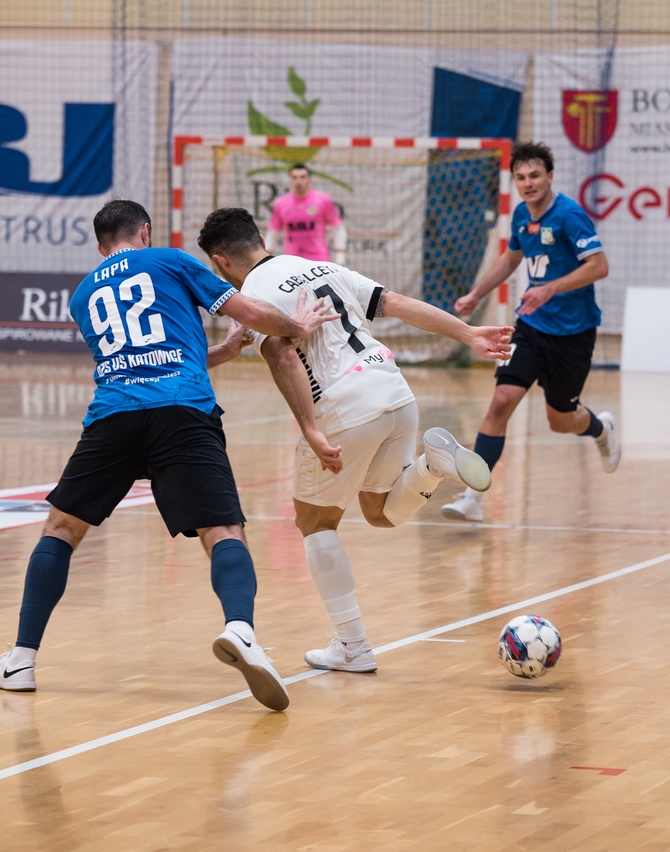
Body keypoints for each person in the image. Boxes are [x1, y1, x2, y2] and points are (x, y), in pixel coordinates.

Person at [0, 199, 339, 711]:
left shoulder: (83, 294)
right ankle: (240, 631)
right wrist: (296, 326)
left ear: (100, 246)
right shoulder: (169, 259)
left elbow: (139, 358)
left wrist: (224, 353)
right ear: (144, 231)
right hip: (182, 411)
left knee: (60, 530)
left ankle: (20, 660)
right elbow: (250, 314)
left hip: (114, 416)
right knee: (222, 532)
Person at [197, 207, 514, 673]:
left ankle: (353, 646)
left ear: (220, 261)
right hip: (393, 390)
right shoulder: (321, 267)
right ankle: (431, 466)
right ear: (261, 237)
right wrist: (467, 333)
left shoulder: (253, 297)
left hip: (343, 406)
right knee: (379, 512)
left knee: (315, 523)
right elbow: (397, 303)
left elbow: (283, 356)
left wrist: (310, 428)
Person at [442, 141, 619, 523]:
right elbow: (511, 257)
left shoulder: (569, 215)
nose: (528, 183)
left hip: (573, 333)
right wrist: (476, 294)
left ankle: (600, 429)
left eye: (535, 175)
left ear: (550, 176)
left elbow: (599, 266)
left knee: (561, 420)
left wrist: (550, 288)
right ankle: (472, 497)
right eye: (521, 177)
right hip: (531, 326)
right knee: (501, 401)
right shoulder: (522, 214)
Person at [266, 163, 347, 264]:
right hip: (291, 260)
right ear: (290, 180)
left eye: (302, 177)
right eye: (294, 177)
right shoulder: (281, 203)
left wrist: (340, 252)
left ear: (309, 180)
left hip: (318, 258)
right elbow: (273, 232)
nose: (298, 181)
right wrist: (267, 255)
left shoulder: (323, 200)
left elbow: (337, 227)